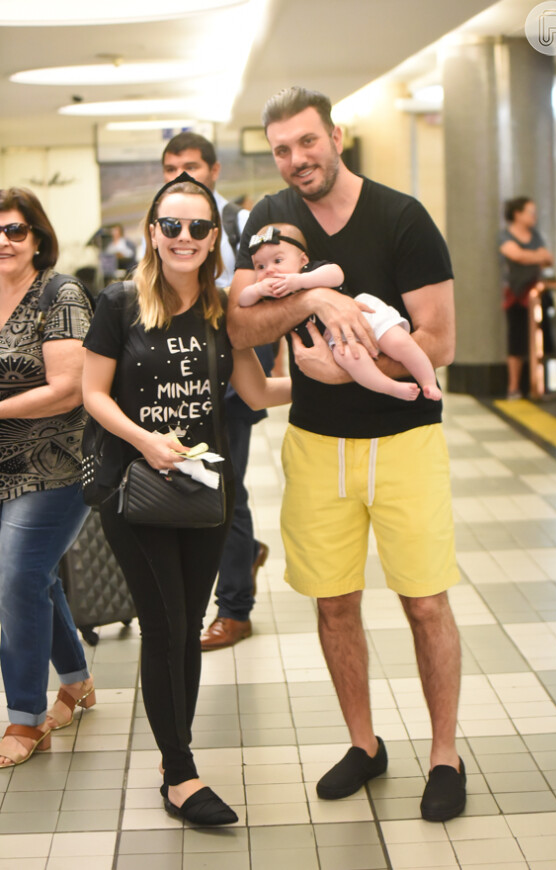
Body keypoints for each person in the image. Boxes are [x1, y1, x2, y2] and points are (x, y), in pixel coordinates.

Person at [227, 87, 465, 823]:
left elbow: (440, 341)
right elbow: (239, 323)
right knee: (334, 604)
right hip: (316, 446)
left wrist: (358, 369)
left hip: (406, 442)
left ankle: (445, 755)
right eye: (281, 151)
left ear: (335, 135)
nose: (296, 161)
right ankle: (364, 745)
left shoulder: (403, 218)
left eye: (306, 142)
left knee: (426, 602)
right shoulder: (270, 220)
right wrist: (312, 304)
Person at [82, 173, 291, 826]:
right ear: (152, 232)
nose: (183, 237)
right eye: (170, 225)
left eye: (198, 227)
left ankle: (181, 759)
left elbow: (255, 393)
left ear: (212, 238)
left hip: (205, 489)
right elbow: (92, 393)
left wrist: (333, 382)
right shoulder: (119, 303)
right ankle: (180, 774)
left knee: (187, 631)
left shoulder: (222, 309)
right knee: (166, 625)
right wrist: (144, 440)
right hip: (134, 488)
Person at [162, 131, 272, 650]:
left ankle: (235, 609)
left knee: (225, 488)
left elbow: (266, 309)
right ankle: (242, 561)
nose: (181, 176)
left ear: (214, 170)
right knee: (207, 486)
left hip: (231, 383)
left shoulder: (241, 224)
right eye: (170, 168)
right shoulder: (163, 227)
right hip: (179, 384)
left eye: (191, 166)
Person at [0, 187, 95, 768]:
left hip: (54, 463)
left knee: (13, 579)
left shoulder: (59, 294)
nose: (4, 241)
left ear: (37, 237)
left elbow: (67, 389)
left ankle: (26, 720)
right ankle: (78, 681)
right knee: (30, 577)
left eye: (15, 230)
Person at [242, 222, 442, 401]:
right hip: (336, 339)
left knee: (398, 341)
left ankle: (427, 381)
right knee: (351, 359)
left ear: (303, 259)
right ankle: (390, 387)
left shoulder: (309, 271)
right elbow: (243, 300)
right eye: (260, 266)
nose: (269, 270)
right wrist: (257, 289)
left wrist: (301, 281)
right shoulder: (270, 293)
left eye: (277, 261)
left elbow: (336, 274)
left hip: (361, 314)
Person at [499, 197, 554, 399]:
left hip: (538, 296)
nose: (534, 216)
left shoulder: (535, 235)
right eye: (530, 212)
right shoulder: (505, 236)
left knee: (544, 341)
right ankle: (513, 387)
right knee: (516, 341)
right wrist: (534, 255)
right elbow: (517, 256)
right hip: (517, 297)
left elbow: (548, 258)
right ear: (518, 214)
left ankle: (541, 385)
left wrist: (528, 255)